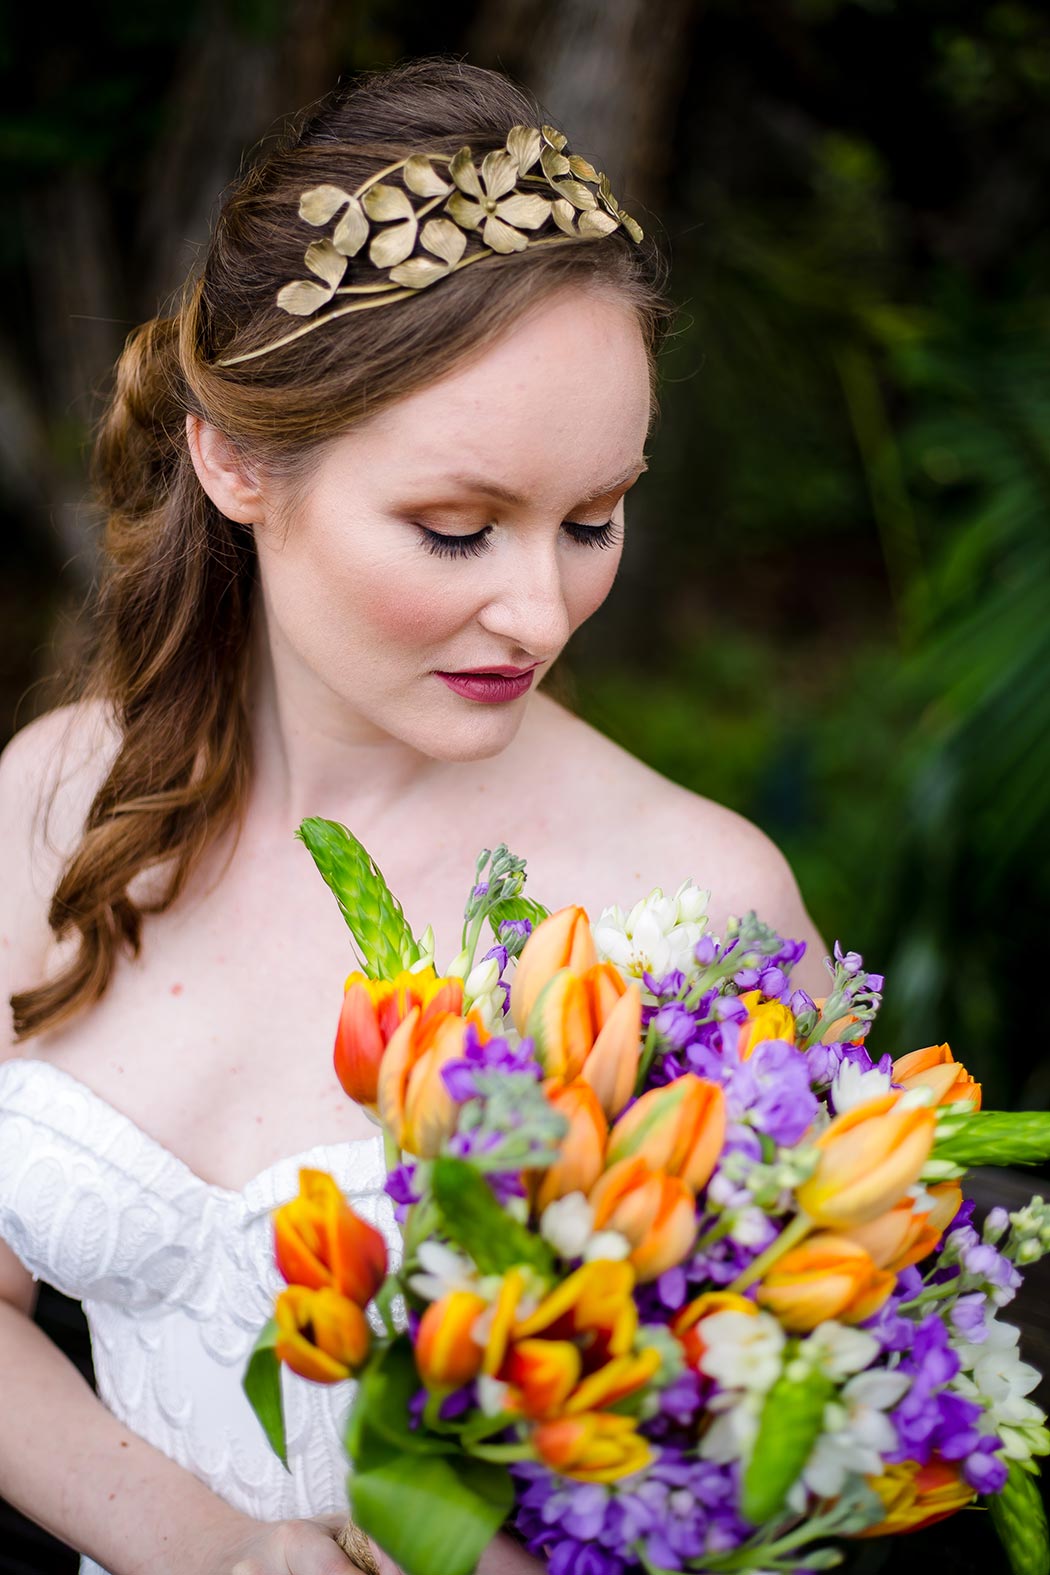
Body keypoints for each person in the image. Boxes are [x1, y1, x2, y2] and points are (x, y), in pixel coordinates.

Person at [0, 55, 828, 1575]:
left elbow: (790, 1438)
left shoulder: (705, 906)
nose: (541, 610)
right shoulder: (55, 795)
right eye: (458, 530)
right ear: (235, 460)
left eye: (594, 520)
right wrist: (208, 1550)